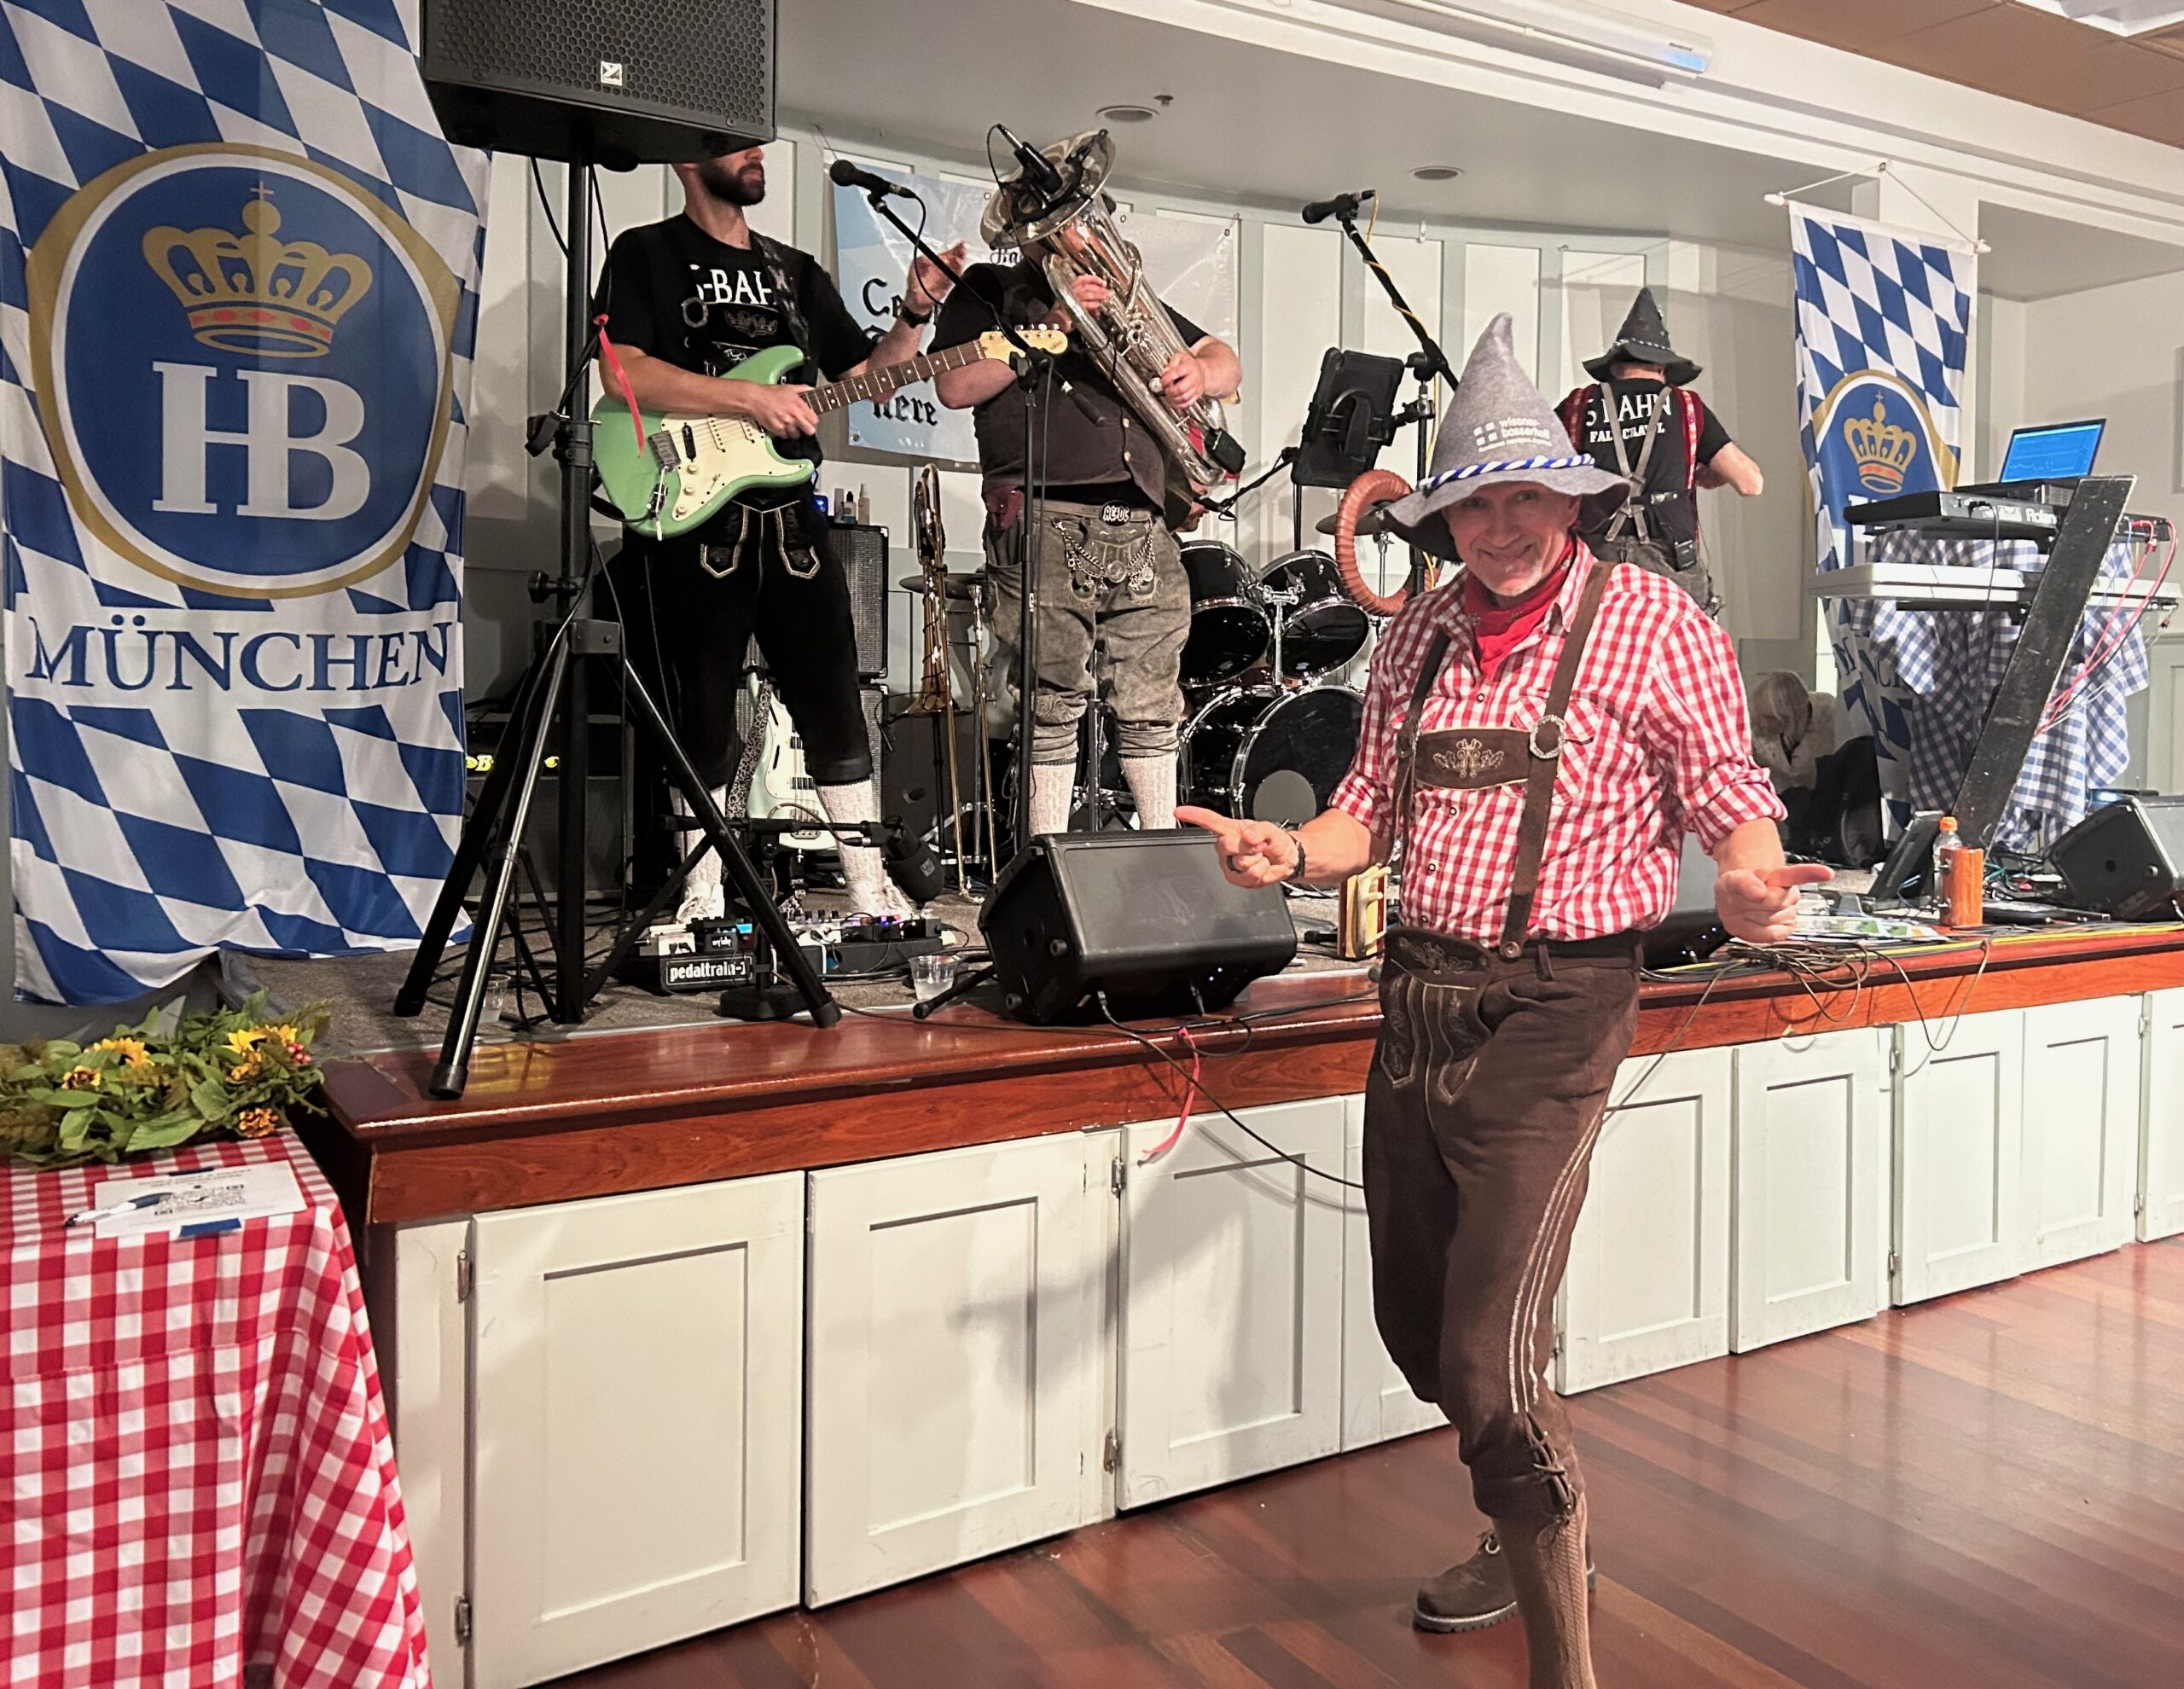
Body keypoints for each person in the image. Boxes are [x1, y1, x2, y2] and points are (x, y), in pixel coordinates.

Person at [1180, 315, 1825, 1689]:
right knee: (1423, 1333)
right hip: (1417, 1000)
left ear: (1574, 497)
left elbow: (1733, 802)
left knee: (1488, 1356)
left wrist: (1756, 889)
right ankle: (1530, 1521)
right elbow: (1365, 815)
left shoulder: (1653, 624)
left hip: (1559, 1009)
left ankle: (1564, 1657)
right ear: (1450, 516)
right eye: (1476, 503)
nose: (1503, 525)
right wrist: (1288, 854)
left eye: (1529, 495)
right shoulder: (1416, 631)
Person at [594, 143, 965, 922]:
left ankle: (870, 891)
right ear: (689, 162)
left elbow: (866, 377)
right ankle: (701, 898)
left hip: (793, 527)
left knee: (836, 706)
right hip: (693, 514)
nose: (755, 153)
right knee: (701, 716)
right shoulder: (648, 253)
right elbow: (623, 373)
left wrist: (916, 313)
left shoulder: (793, 272)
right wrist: (747, 401)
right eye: (736, 144)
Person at [929, 183, 1241, 839]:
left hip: (1143, 520)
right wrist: (1056, 330)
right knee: (1051, 699)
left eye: (1084, 223)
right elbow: (955, 385)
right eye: (1065, 227)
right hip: (1043, 512)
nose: (1081, 238)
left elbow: (1225, 361)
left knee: (1153, 696)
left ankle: (1159, 842)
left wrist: (1198, 372)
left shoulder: (1127, 295)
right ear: (1032, 234)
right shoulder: (992, 289)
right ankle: (1046, 855)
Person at [1557, 287, 1763, 614]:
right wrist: (1708, 475)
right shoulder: (1685, 406)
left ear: (1613, 367)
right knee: (1674, 659)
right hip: (1668, 564)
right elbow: (1751, 484)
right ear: (1663, 369)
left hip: (1592, 563)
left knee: (1588, 656)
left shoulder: (1577, 405)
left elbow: (1539, 479)